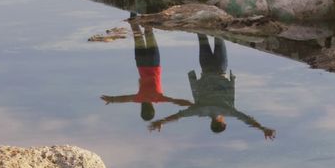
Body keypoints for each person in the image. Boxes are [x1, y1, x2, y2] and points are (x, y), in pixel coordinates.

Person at [146, 34, 275, 139]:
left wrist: (262, 128)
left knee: (219, 36)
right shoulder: (200, 110)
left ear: (223, 123)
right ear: (211, 123)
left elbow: (247, 119)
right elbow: (179, 115)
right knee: (201, 36)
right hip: (206, 66)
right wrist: (161, 121)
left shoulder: (227, 111)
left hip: (220, 67)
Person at [100, 20, 192, 122]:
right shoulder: (139, 98)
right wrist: (112, 99)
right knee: (137, 33)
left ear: (152, 108)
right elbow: (125, 98)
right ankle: (133, 13)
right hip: (141, 63)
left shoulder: (157, 98)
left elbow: (175, 101)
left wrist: (191, 104)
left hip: (153, 63)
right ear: (141, 109)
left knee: (149, 32)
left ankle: (146, 12)